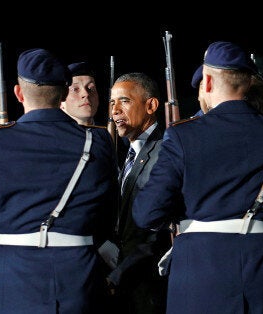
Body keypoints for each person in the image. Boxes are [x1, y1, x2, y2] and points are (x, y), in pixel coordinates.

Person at [0, 48, 118, 314]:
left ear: (18, 93)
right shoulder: (98, 141)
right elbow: (107, 218)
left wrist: (0, 229)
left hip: (11, 276)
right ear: (62, 94)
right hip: (79, 275)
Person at [132, 41, 263, 313]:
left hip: (201, 267)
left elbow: (148, 212)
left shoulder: (184, 134)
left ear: (206, 82)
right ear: (248, 82)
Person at [105, 72, 170, 313]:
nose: (115, 110)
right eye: (112, 103)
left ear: (151, 105)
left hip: (148, 286)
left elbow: (157, 233)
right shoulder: (125, 153)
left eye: (124, 101)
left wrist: (120, 273)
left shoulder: (165, 152)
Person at [61, 61, 100, 126]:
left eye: (91, 88)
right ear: (60, 101)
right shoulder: (49, 134)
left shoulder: (106, 133)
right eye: (75, 89)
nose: (86, 94)